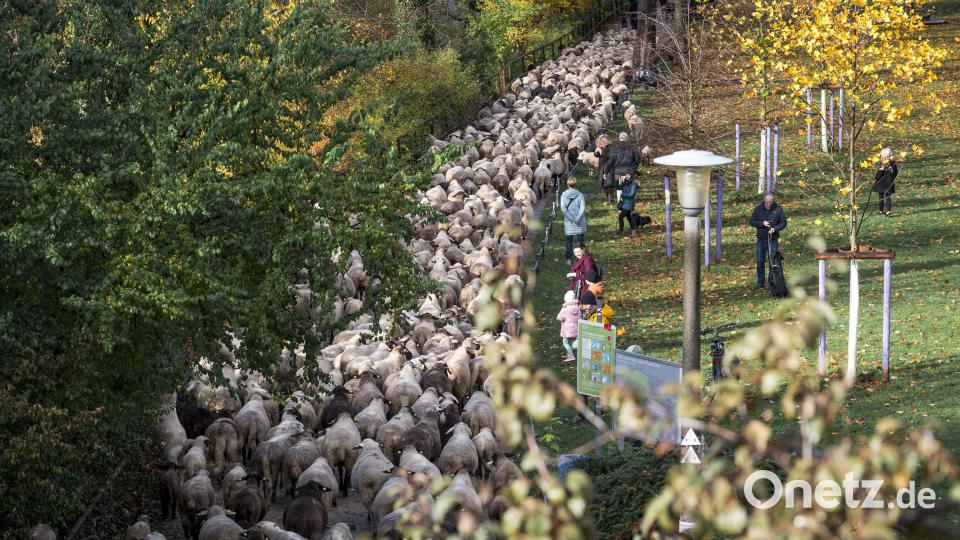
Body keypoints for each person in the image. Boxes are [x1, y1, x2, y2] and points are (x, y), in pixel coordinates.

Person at [749, 193, 788, 289]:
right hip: (761, 240)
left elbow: (783, 222)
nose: (768, 204)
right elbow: (752, 222)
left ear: (773, 201)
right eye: (767, 202)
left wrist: (774, 229)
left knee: (773, 262)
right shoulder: (758, 209)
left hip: (773, 239)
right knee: (760, 262)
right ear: (764, 200)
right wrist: (762, 223)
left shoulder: (778, 209)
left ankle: (774, 283)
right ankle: (760, 283)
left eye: (770, 202)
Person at [602, 132, 642, 205]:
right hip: (629, 172)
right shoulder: (633, 147)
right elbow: (638, 159)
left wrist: (605, 172)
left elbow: (611, 161)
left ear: (619, 139)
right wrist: (633, 168)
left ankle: (619, 205)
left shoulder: (615, 148)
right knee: (628, 187)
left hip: (618, 173)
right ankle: (627, 204)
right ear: (627, 138)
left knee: (619, 188)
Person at [560, 177, 586, 265]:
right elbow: (582, 208)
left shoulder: (564, 195)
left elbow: (563, 209)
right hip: (579, 221)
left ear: (567, 184)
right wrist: (577, 219)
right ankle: (582, 258)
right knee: (580, 240)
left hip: (569, 221)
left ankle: (568, 259)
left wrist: (571, 219)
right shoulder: (580, 195)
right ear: (575, 184)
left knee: (569, 240)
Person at [872, 147, 898, 216]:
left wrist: (881, 170)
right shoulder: (892, 163)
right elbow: (895, 173)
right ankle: (887, 211)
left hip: (882, 183)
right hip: (887, 183)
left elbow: (877, 176)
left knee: (882, 197)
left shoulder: (882, 163)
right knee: (887, 197)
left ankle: (882, 211)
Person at [556, 290, 581, 362]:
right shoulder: (577, 307)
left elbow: (559, 318)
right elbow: (580, 317)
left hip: (567, 330)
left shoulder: (565, 308)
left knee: (565, 343)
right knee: (570, 342)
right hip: (575, 329)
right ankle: (568, 354)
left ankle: (571, 356)